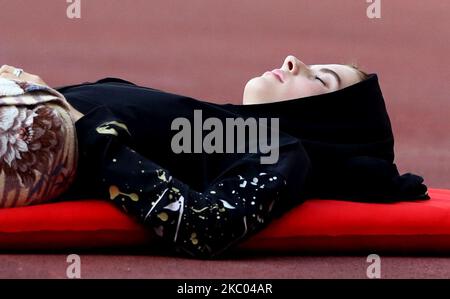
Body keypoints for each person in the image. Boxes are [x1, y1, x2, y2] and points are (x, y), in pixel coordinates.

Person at [0, 55, 428, 258]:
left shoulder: (279, 148)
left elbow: (207, 224)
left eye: (321, 78)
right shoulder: (221, 127)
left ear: (330, 122)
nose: (293, 61)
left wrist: (81, 130)